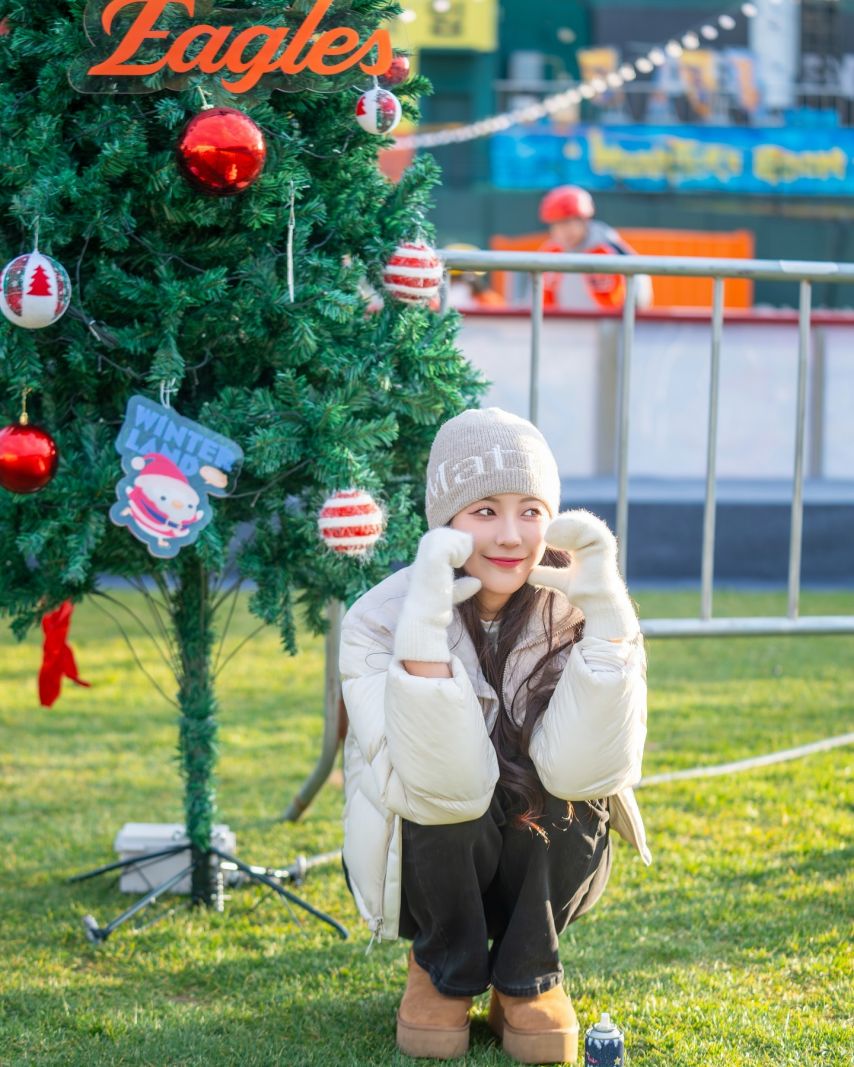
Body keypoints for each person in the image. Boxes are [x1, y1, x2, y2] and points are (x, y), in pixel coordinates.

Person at [339, 407, 649, 1065]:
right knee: (447, 786)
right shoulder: (377, 619)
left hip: (544, 845)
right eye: (483, 510)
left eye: (530, 509)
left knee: (568, 779)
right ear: (445, 522)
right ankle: (441, 968)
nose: (511, 535)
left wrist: (610, 626)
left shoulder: (576, 603)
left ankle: (528, 973)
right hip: (426, 842)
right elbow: (429, 778)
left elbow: (593, 766)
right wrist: (422, 632)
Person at [538, 184, 653, 311]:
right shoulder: (551, 252)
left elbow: (638, 281)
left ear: (584, 220)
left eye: (569, 222)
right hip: (563, 327)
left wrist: (628, 316)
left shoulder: (606, 247)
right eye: (558, 224)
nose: (564, 231)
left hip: (606, 326)